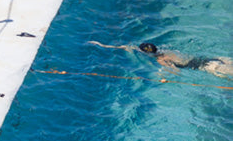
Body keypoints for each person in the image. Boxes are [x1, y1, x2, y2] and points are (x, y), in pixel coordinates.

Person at [91, 39, 233, 80]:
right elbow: (132, 47)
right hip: (212, 59)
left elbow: (176, 71)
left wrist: (162, 74)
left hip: (210, 67)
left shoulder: (161, 60)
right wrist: (103, 45)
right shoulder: (164, 50)